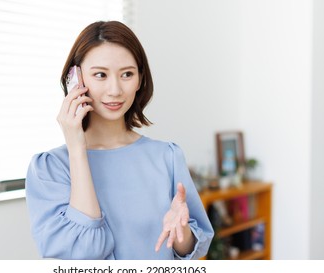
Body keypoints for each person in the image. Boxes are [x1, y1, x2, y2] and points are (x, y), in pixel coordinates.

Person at [25, 20, 214, 260]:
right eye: (100, 75)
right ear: (76, 79)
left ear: (140, 80)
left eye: (127, 74)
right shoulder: (49, 168)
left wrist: (181, 233)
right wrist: (76, 147)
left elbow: (192, 250)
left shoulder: (167, 156)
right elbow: (82, 257)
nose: (115, 89)